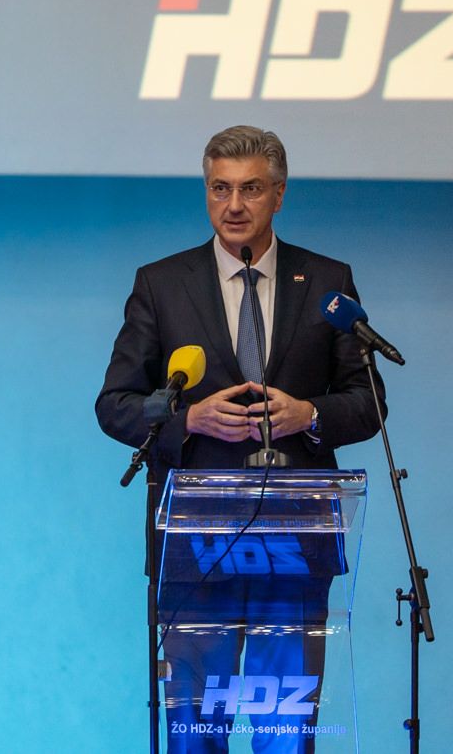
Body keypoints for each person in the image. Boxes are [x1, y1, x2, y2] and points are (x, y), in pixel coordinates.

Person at [96, 126, 386, 752]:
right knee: (196, 731)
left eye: (250, 189)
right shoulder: (161, 284)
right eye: (219, 188)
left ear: (279, 195)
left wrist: (309, 413)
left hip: (295, 538)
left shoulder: (328, 281)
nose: (233, 205)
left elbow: (369, 405)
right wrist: (189, 420)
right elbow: (115, 405)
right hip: (196, 540)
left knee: (286, 732)